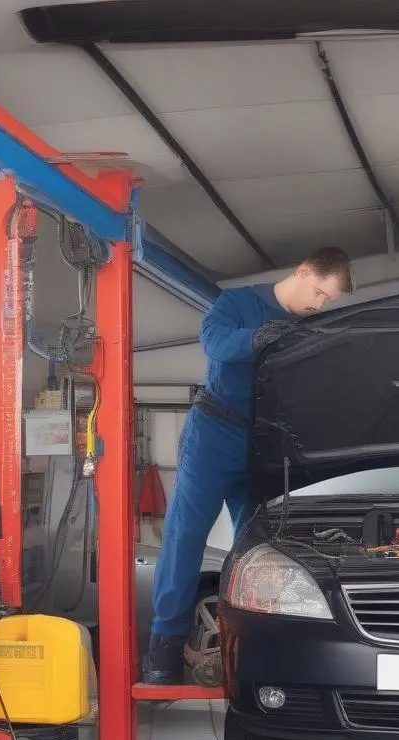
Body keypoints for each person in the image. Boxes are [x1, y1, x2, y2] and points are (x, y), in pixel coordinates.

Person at [146, 247, 355, 683]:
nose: (319, 304)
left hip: (264, 441)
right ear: (301, 270)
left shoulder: (311, 327)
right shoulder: (237, 303)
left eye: (328, 300)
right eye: (318, 292)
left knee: (260, 548)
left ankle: (250, 644)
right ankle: (163, 650)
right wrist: (257, 337)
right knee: (185, 534)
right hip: (213, 433)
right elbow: (214, 342)